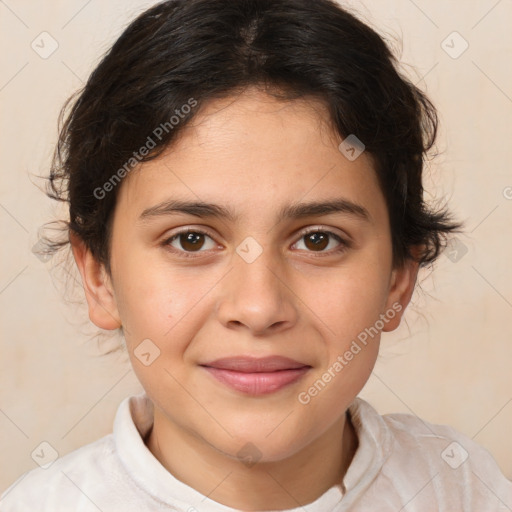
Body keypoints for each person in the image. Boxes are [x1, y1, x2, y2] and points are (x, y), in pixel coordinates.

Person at [2, 0, 511, 510]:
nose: (258, 308)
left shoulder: (464, 490)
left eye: (318, 239)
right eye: (191, 240)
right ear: (99, 277)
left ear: (399, 279)